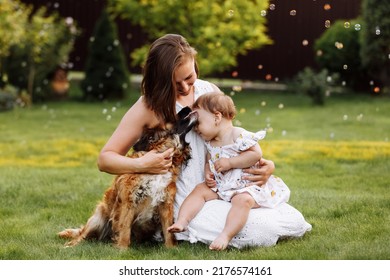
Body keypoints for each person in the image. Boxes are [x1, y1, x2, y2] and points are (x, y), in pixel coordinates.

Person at [98, 34, 311, 249]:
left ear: (195, 65)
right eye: (175, 82)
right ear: (160, 79)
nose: (184, 87)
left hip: (224, 187)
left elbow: (231, 138)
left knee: (289, 218)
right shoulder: (148, 107)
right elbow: (105, 159)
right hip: (188, 200)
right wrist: (142, 164)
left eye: (189, 77)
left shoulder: (209, 93)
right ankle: (184, 227)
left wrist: (266, 165)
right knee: (260, 230)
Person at [168, 92, 291, 250]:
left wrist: (231, 162)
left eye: (198, 123)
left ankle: (226, 235)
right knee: (199, 190)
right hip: (223, 184)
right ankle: (182, 221)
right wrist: (208, 173)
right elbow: (209, 161)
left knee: (243, 201)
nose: (196, 128)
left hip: (244, 184)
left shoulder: (237, 134)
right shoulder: (211, 142)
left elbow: (256, 154)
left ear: (217, 117)